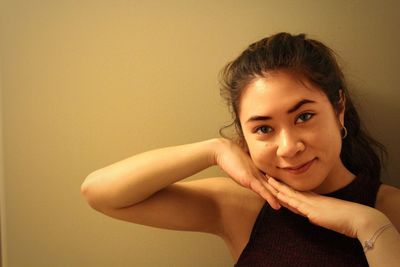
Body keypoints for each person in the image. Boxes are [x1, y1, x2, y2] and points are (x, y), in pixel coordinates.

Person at [81, 32, 400, 266]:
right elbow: (99, 192)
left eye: (304, 117)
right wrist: (213, 150)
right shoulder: (242, 206)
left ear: (338, 108)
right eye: (263, 129)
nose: (289, 148)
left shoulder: (390, 209)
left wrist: (370, 226)